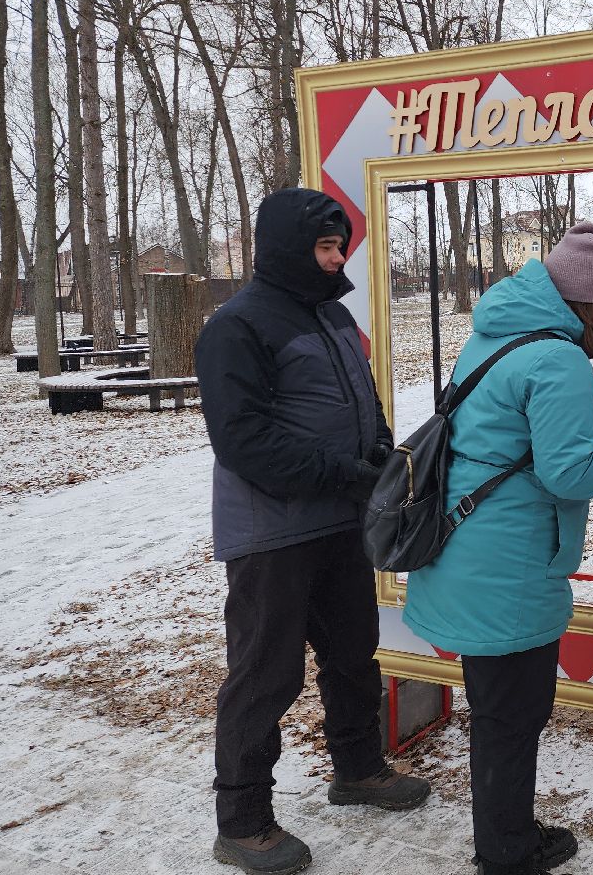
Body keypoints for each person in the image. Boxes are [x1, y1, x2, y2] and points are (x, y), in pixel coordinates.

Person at [402, 222, 593, 875]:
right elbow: (568, 475)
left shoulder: (495, 336)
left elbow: (499, 429)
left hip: (465, 549)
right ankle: (509, 852)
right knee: (512, 721)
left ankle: (504, 834)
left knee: (496, 716)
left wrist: (579, 422)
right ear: (592, 305)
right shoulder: (558, 358)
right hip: (509, 570)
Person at [196, 188, 429, 874]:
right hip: (272, 533)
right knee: (265, 676)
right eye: (325, 248)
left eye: (339, 248)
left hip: (339, 522)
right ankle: (241, 821)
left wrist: (381, 451)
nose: (334, 260)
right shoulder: (236, 327)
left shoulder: (329, 314)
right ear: (290, 249)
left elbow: (362, 396)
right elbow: (243, 441)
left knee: (355, 654)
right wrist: (346, 475)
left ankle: (358, 770)